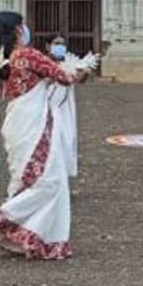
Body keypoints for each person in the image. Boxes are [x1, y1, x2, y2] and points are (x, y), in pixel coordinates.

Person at [0, 12, 95, 259]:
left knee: (28, 178)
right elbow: (65, 77)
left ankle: (29, 238)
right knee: (49, 181)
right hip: (34, 123)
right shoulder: (28, 55)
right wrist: (83, 68)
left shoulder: (5, 59)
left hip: (17, 121)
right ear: (19, 30)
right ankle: (0, 217)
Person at [45, 34, 79, 179]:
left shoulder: (68, 63)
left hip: (64, 110)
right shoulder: (43, 63)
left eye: (62, 44)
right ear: (48, 46)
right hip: (47, 110)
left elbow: (79, 78)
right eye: (56, 43)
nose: (60, 47)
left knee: (66, 140)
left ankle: (61, 177)